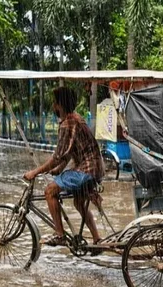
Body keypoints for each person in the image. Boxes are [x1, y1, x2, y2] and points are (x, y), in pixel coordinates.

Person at [23, 86, 105, 246]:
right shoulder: (75, 119)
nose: (53, 106)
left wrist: (35, 172)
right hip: (94, 168)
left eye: (55, 103)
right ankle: (97, 238)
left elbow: (57, 157)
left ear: (61, 104)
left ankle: (59, 234)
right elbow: (69, 150)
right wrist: (59, 169)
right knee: (78, 202)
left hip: (86, 169)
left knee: (50, 191)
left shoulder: (68, 123)